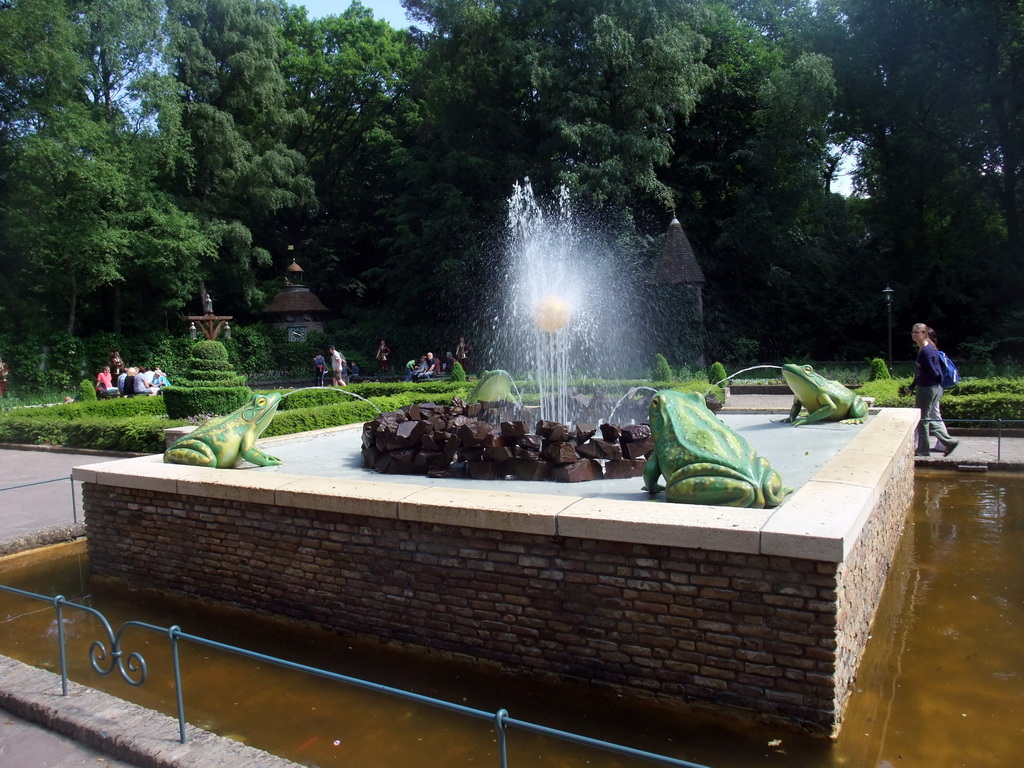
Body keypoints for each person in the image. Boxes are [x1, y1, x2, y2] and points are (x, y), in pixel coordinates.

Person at [908, 322, 958, 457]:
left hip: (927, 389)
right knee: (925, 419)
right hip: (930, 388)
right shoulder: (928, 349)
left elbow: (934, 372)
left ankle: (926, 449)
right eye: (912, 332)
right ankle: (946, 442)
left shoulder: (925, 352)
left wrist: (930, 384)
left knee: (923, 420)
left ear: (924, 334)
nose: (913, 335)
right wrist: (913, 386)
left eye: (916, 332)